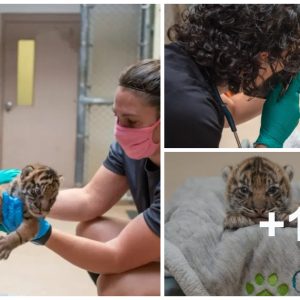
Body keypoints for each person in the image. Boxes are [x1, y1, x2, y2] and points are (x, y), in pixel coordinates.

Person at [1, 59, 160, 296]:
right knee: (93, 229)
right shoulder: (131, 149)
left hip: (198, 263)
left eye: (131, 121)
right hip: (166, 245)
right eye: (117, 116)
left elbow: (116, 256)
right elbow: (90, 198)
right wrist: (23, 195)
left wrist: (41, 232)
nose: (120, 128)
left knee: (116, 286)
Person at [165, 4, 300, 148]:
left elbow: (230, 109)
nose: (286, 67)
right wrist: (269, 141)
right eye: (290, 58)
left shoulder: (177, 58)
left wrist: (274, 90)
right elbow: (201, 171)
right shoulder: (195, 115)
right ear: (264, 57)